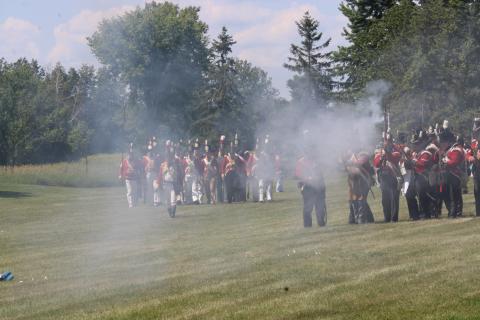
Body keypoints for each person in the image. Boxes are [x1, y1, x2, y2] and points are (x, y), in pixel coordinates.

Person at [373, 134, 402, 222]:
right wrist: (382, 157)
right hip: (383, 178)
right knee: (385, 199)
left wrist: (387, 153)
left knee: (393, 199)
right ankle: (387, 217)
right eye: (385, 140)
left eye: (388, 140)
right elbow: (376, 163)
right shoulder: (380, 151)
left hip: (393, 177)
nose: (387, 141)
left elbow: (394, 158)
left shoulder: (396, 149)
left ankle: (394, 218)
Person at [295, 148, 326, 227]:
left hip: (319, 186)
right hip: (307, 187)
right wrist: (307, 178)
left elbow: (321, 173)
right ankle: (307, 225)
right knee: (308, 208)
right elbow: (298, 175)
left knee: (320, 206)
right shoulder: (301, 162)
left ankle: (321, 223)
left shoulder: (318, 161)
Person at [345, 150, 375, 224]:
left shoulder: (363, 156)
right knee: (353, 201)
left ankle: (361, 219)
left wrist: (354, 165)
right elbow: (347, 168)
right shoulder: (352, 158)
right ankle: (354, 219)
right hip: (354, 183)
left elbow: (363, 165)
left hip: (363, 183)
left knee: (361, 201)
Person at [443, 135, 465, 218]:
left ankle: (455, 212)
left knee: (454, 195)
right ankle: (455, 212)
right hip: (452, 174)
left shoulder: (457, 149)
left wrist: (445, 161)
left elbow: (454, 162)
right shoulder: (453, 149)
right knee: (454, 194)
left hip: (455, 174)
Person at [158, 152, 178, 217]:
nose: (168, 159)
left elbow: (174, 175)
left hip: (171, 184)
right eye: (167, 157)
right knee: (167, 200)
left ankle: (173, 214)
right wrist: (159, 183)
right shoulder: (162, 165)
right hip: (165, 184)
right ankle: (170, 213)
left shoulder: (173, 165)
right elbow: (160, 175)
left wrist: (168, 169)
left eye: (169, 157)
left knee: (173, 199)